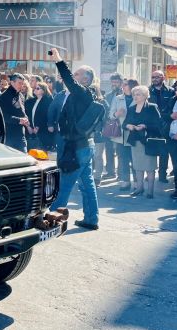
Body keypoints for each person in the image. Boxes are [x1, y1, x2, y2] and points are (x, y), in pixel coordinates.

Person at [48, 48, 100, 230]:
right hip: (84, 145)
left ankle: (51, 221)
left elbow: (68, 79)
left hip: (76, 147)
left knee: (64, 183)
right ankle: (92, 219)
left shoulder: (83, 93)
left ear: (85, 78)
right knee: (87, 184)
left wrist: (59, 61)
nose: (73, 76)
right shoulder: (82, 95)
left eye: (77, 73)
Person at [123, 86, 162, 198]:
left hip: (148, 141)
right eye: (134, 94)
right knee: (137, 166)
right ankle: (139, 188)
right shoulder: (131, 108)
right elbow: (124, 123)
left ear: (145, 96)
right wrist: (128, 125)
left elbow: (158, 124)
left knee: (150, 167)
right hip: (135, 141)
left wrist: (145, 126)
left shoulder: (152, 107)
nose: (135, 96)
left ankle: (150, 191)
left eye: (138, 94)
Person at [149, 70, 174, 183]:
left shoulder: (171, 91)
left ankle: (162, 174)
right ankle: (150, 173)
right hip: (152, 125)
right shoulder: (148, 91)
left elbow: (172, 108)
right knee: (151, 150)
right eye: (153, 77)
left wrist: (166, 118)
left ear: (163, 78)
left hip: (166, 124)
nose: (154, 79)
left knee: (165, 151)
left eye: (157, 77)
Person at [0, 73, 30, 152]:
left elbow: (22, 112)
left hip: (20, 134)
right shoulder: (3, 97)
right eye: (19, 83)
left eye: (22, 83)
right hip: (8, 135)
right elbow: (2, 116)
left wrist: (26, 119)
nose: (22, 85)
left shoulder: (21, 96)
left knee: (24, 159)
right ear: (12, 82)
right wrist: (18, 120)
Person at [103, 73, 124, 179]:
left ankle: (121, 173)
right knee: (109, 149)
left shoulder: (126, 95)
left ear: (121, 83)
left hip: (122, 125)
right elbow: (106, 111)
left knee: (120, 151)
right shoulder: (108, 95)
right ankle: (110, 171)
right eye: (113, 82)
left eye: (116, 82)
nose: (114, 84)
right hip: (110, 125)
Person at [91, 84, 110, 187]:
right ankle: (89, 177)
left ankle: (97, 177)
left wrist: (101, 128)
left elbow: (107, 117)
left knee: (98, 156)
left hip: (99, 133)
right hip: (87, 134)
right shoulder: (85, 101)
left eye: (93, 90)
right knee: (88, 156)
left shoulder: (103, 102)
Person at [25, 81, 53, 150]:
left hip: (43, 130)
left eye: (38, 88)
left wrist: (38, 126)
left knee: (41, 153)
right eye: (35, 88)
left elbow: (46, 115)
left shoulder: (47, 100)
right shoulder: (34, 100)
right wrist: (30, 126)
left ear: (43, 91)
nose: (35, 89)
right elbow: (31, 115)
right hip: (34, 130)